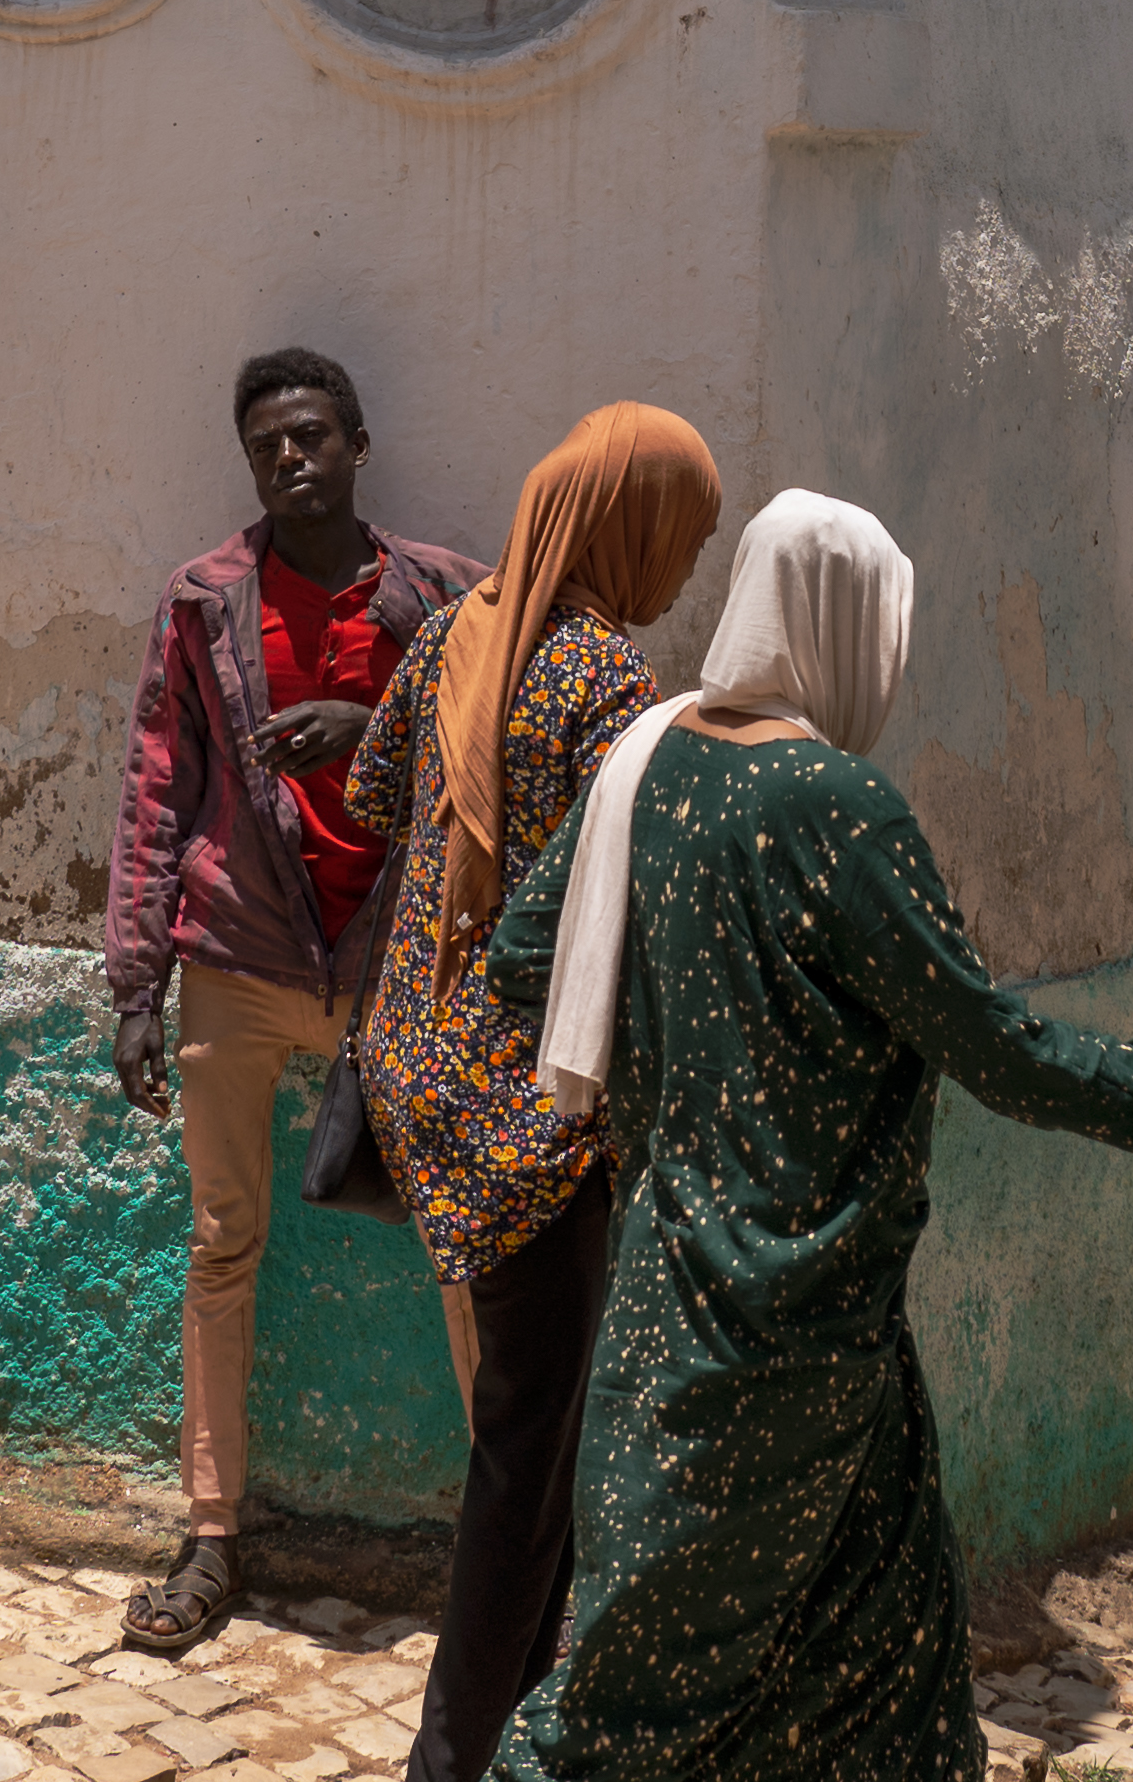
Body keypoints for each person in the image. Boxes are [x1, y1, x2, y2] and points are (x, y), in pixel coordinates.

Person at [484, 494, 1133, 1782]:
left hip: (722, 1300)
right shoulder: (835, 806)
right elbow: (992, 1045)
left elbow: (524, 954)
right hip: (775, 1338)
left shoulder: (644, 759)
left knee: (884, 1681)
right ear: (834, 624)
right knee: (622, 1703)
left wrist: (685, 1050)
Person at [337, 403, 730, 1782]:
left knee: (537, 1426)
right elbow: (624, 916)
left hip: (422, 1079)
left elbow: (378, 792)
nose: (685, 569)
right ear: (624, 527)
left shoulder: (456, 633)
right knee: (526, 1449)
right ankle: (452, 1757)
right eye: (680, 537)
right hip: (532, 1120)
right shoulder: (611, 685)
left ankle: (534, 1729)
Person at [102, 346, 485, 1656]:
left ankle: (509, 1542)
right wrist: (137, 979)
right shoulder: (205, 600)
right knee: (222, 1244)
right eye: (268, 442)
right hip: (239, 963)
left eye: (314, 434)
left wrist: (365, 721)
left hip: (395, 971)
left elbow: (511, 722)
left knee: (465, 1243)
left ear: (360, 441)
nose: (291, 456)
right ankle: (211, 1538)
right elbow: (160, 778)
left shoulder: (442, 595)